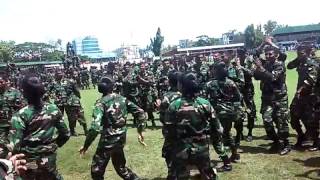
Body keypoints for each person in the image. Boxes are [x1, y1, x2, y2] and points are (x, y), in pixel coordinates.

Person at [79, 76, 146, 180]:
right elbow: (140, 112)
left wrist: (86, 145)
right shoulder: (122, 99)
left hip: (108, 140)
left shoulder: (101, 103)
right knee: (121, 167)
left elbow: (95, 128)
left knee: (96, 170)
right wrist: (140, 131)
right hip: (121, 138)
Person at [8, 73, 70, 179]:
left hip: (28, 162)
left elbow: (15, 146)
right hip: (49, 160)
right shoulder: (53, 109)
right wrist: (51, 147)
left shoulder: (20, 115)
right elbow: (66, 134)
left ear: (24, 93)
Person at [166, 72, 218, 180]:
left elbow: (168, 131)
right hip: (202, 148)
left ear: (182, 86)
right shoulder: (205, 104)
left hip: (181, 149)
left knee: (182, 176)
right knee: (208, 175)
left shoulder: (174, 105)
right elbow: (217, 128)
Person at [254, 45, 291, 155]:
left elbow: (272, 77)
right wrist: (257, 68)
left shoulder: (279, 65)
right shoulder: (266, 64)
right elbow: (256, 76)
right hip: (267, 98)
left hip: (279, 98)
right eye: (266, 54)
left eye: (270, 54)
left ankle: (286, 143)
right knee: (267, 120)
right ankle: (275, 142)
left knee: (281, 122)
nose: (268, 56)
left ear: (276, 55)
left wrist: (261, 68)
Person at [205, 62, 242, 163]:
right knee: (227, 133)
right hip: (229, 113)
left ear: (216, 71)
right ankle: (235, 154)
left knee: (216, 137)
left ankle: (225, 159)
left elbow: (204, 99)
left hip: (216, 114)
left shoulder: (210, 84)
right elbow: (238, 97)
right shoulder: (230, 82)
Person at [287, 44, 319, 150]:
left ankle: (316, 141)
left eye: (302, 53)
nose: (300, 55)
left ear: (308, 53)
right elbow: (289, 66)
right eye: (298, 53)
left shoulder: (312, 63)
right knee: (293, 115)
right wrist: (299, 58)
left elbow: (311, 80)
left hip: (311, 95)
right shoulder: (300, 62)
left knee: (311, 120)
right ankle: (301, 136)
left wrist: (300, 90)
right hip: (300, 95)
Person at [159, 71, 182, 179]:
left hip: (171, 130)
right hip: (186, 129)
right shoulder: (186, 94)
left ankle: (172, 173)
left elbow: (163, 117)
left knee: (169, 152)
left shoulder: (167, 97)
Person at [0, 71, 25, 158]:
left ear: (6, 82)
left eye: (1, 82)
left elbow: (22, 106)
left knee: (16, 144)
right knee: (2, 145)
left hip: (13, 123)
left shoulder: (15, 92)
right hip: (1, 124)